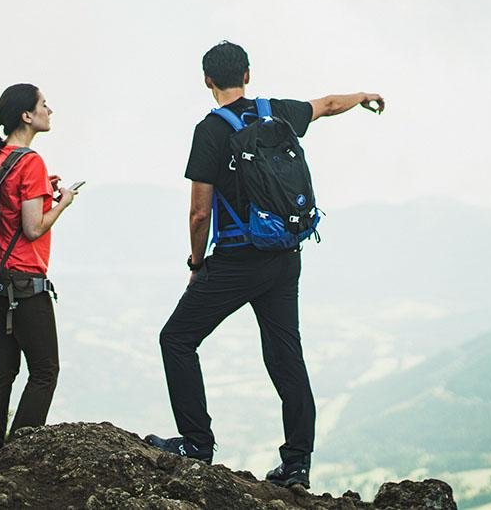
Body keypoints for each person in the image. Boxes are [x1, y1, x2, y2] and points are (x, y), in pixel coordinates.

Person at [146, 41, 385, 489]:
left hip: (238, 260)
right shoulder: (277, 111)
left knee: (176, 339)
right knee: (284, 354)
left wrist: (196, 264)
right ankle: (297, 463)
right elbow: (329, 104)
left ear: (207, 81)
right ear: (249, 74)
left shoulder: (211, 130)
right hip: (285, 257)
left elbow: (199, 212)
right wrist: (365, 97)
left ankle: (197, 443)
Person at [0, 83, 78, 467]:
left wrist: (42, 193)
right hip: (25, 282)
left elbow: (7, 212)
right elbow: (33, 228)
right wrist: (63, 202)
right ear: (26, 115)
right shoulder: (31, 161)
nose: (50, 110)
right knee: (45, 370)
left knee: (1, 369)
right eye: (44, 105)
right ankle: (18, 459)